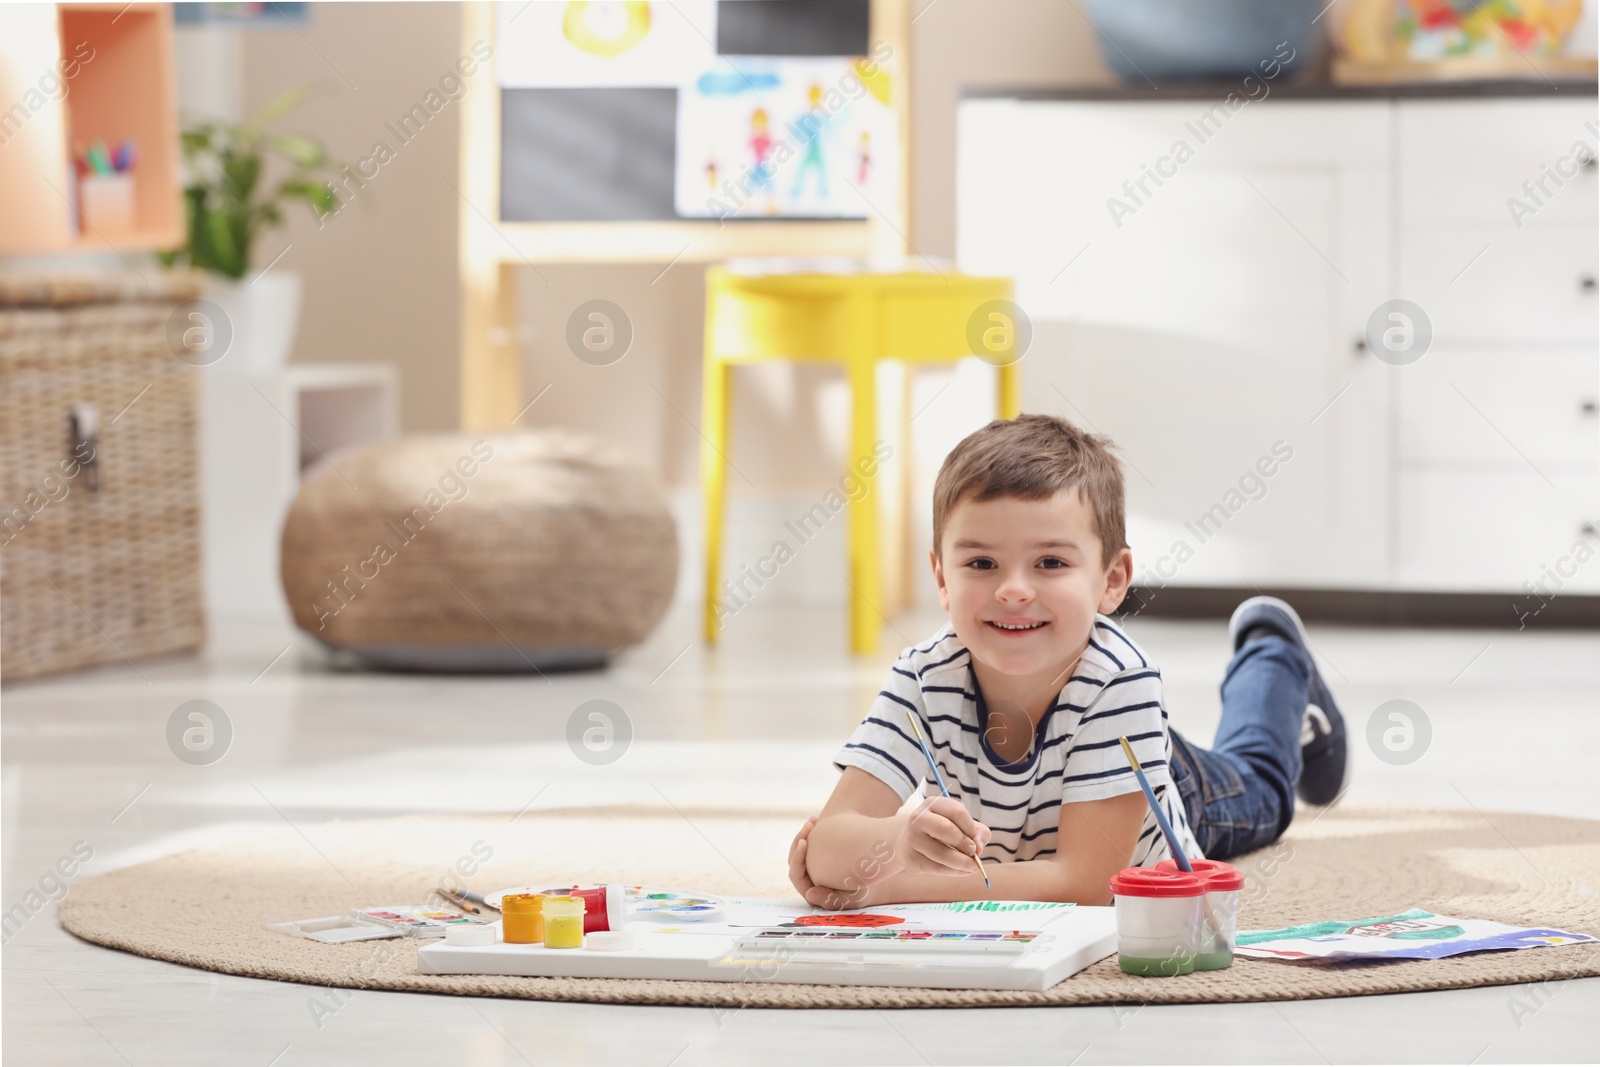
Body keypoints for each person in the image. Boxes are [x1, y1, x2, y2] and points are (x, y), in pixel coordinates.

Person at [788, 414, 1350, 908]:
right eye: (981, 563)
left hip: (1155, 782)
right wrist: (898, 841)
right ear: (941, 577)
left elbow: (1087, 883)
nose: (1012, 590)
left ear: (1111, 582)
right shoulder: (923, 675)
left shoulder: (1122, 680)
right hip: (1081, 766)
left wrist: (894, 884)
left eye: (1050, 562)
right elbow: (827, 847)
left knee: (1263, 789)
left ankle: (1274, 655)